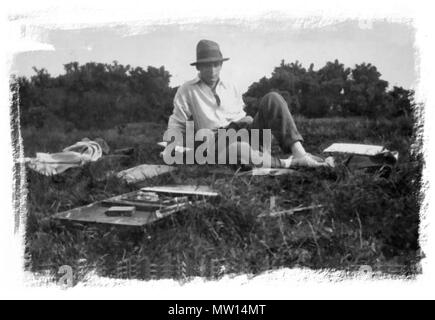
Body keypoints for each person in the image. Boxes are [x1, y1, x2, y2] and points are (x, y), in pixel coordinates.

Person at [163, 39, 330, 168]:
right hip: (216, 141)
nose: (212, 70)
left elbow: (240, 114)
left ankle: (300, 154)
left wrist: (247, 122)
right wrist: (173, 146)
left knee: (273, 98)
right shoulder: (187, 90)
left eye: (216, 64)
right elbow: (177, 123)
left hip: (243, 130)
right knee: (237, 149)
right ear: (198, 67)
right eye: (207, 66)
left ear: (221, 65)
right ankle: (288, 163)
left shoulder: (231, 86)